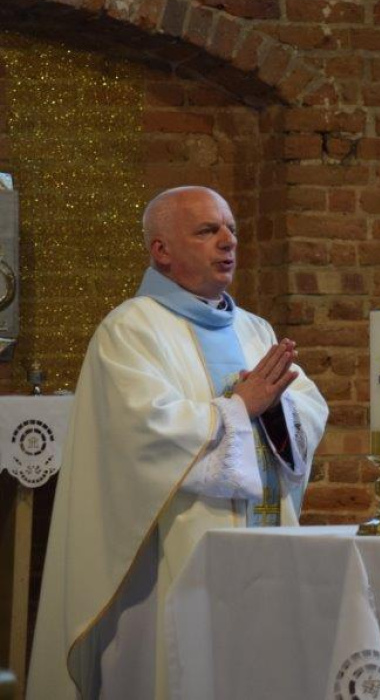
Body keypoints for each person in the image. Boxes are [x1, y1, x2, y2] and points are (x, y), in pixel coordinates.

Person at [28, 187, 328, 699]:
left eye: (231, 229)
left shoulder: (254, 330)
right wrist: (240, 407)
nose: (228, 241)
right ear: (161, 250)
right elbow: (143, 433)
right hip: (169, 560)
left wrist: (273, 407)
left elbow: (308, 406)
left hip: (265, 555)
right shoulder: (130, 330)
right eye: (208, 230)